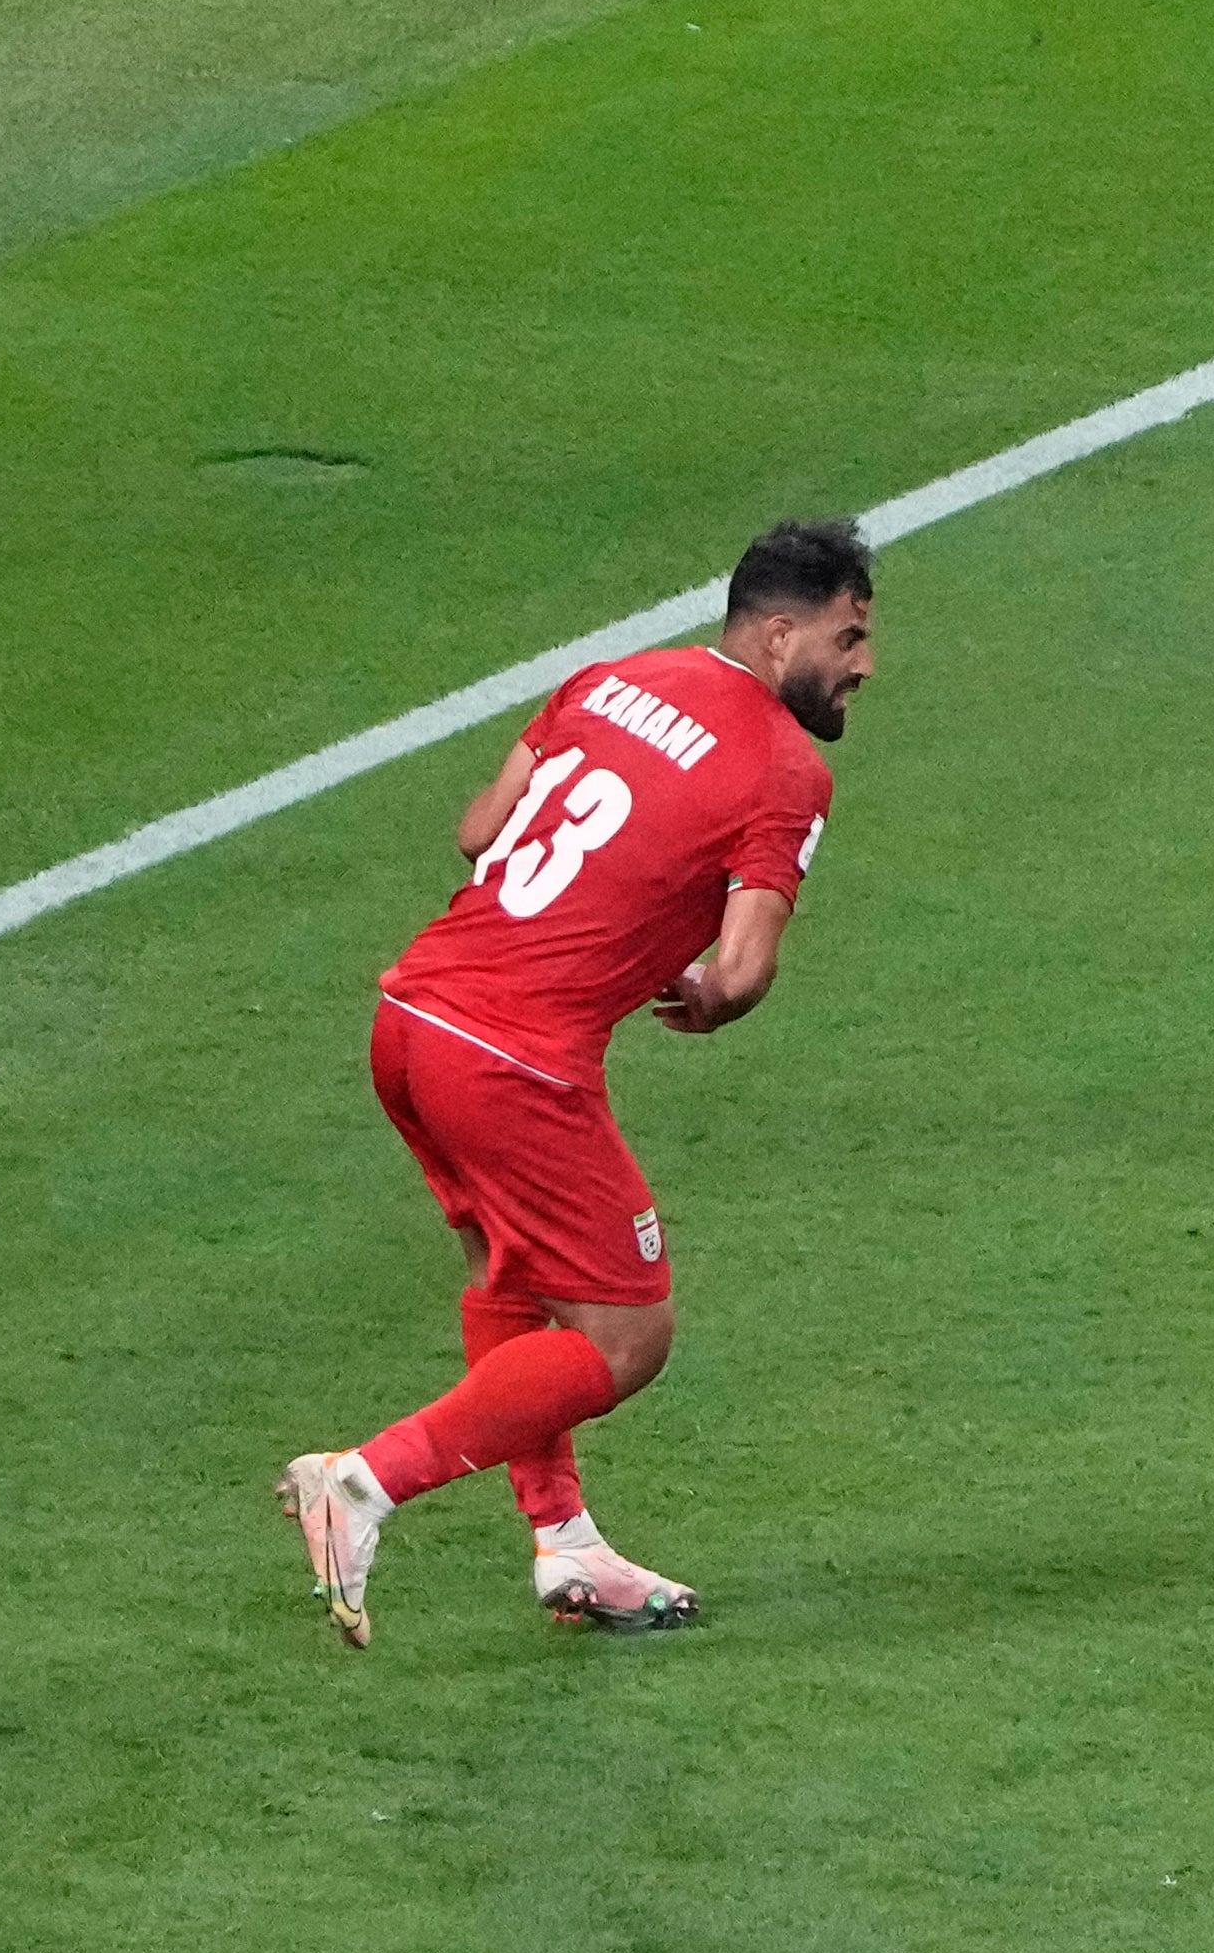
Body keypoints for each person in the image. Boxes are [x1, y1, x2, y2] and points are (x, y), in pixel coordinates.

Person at [281, 517, 871, 1645]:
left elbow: (478, 831)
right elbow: (742, 970)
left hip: (410, 1018)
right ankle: (363, 1483)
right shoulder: (787, 770)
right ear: (781, 630)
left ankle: (566, 1546)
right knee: (625, 1340)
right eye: (848, 638)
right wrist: (700, 992)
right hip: (513, 1062)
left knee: (512, 1276)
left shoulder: (605, 680)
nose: (862, 667)